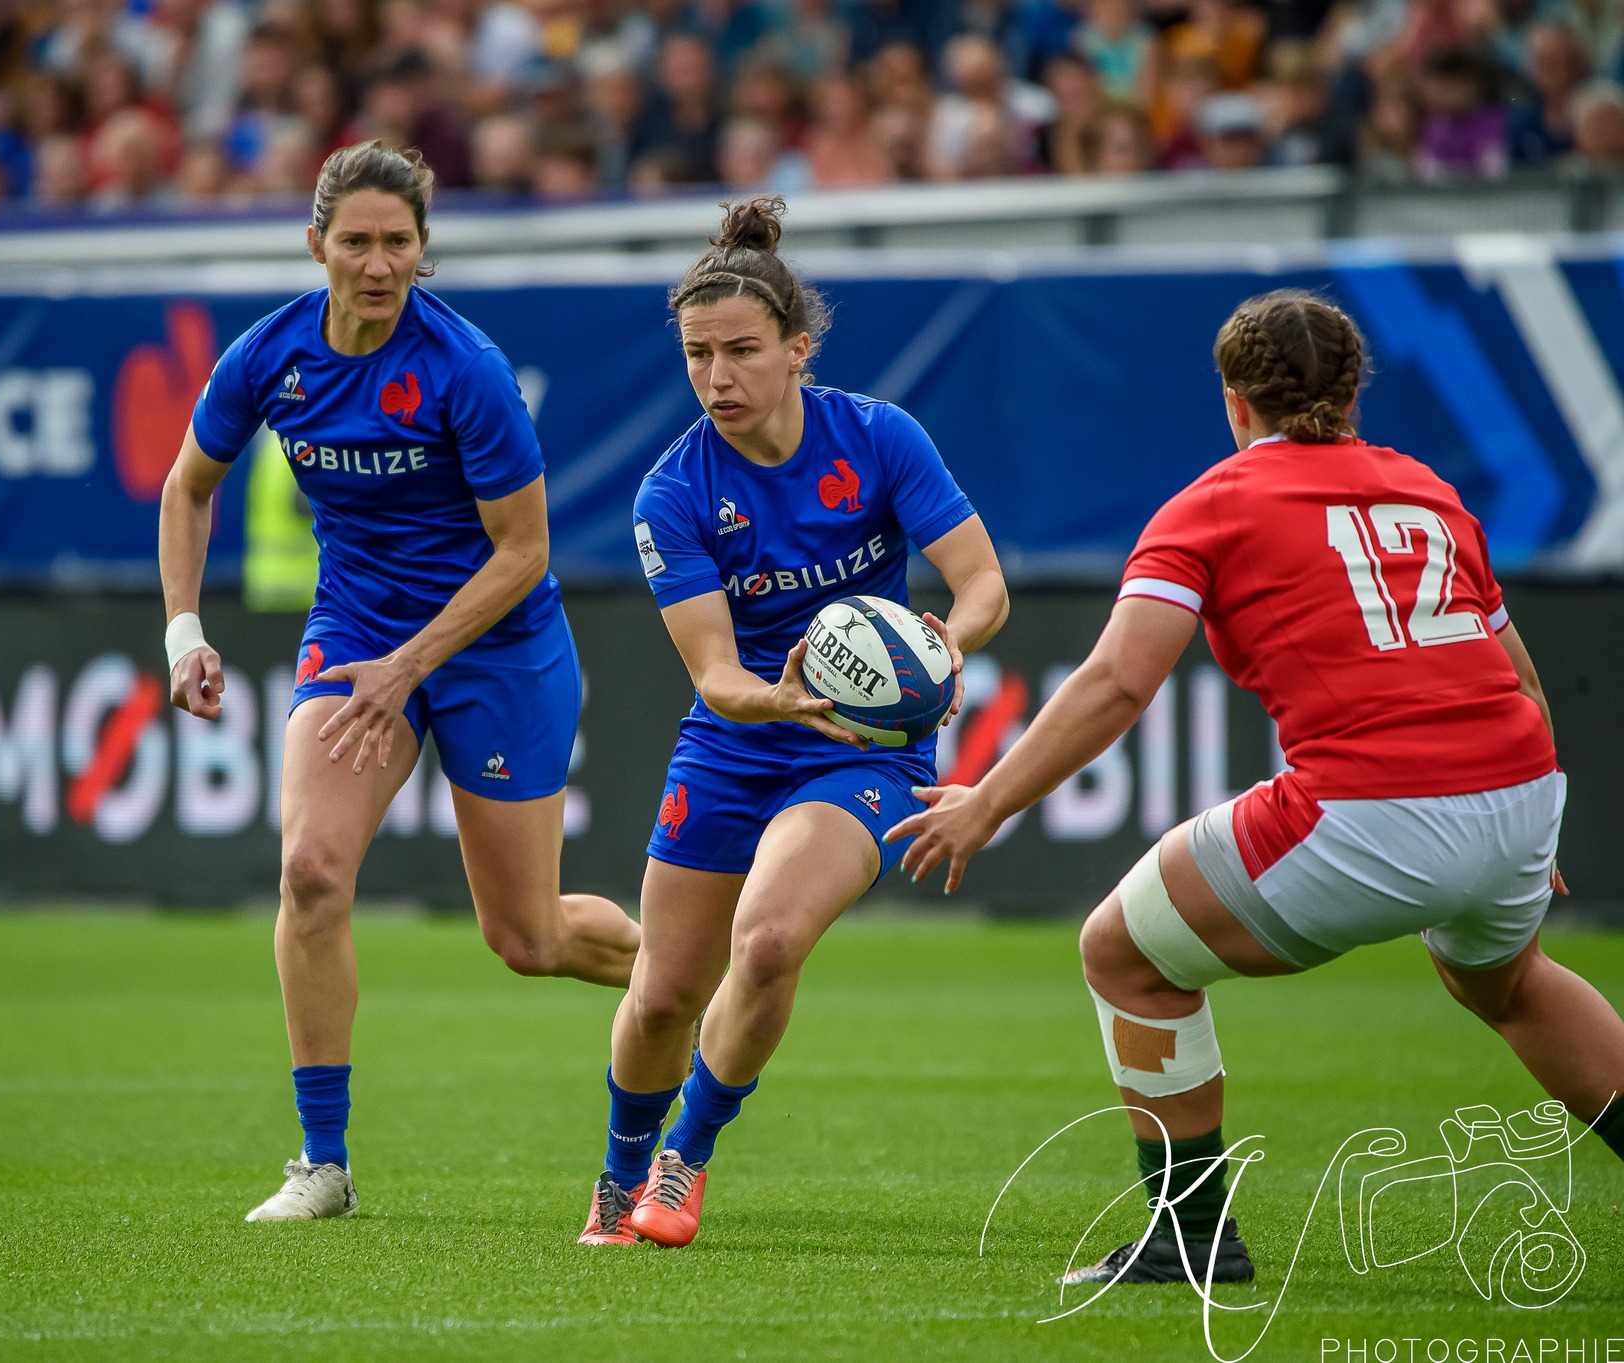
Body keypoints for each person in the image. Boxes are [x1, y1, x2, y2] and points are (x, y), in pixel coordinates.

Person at [889, 289, 1624, 1285]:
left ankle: (1188, 1238)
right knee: (1511, 986)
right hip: (1517, 787)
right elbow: (1520, 681)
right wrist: (1516, 831)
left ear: (1234, 402)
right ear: (1354, 391)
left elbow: (1113, 682)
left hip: (1369, 806)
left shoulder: (1210, 504)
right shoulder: (1427, 491)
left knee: (1122, 953)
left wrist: (985, 799)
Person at [158, 141, 643, 1223]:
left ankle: (684, 982)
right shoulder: (267, 357)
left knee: (526, 941)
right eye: (356, 240)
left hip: (497, 645)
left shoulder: (464, 367)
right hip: (357, 632)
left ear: (424, 250)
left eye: (398, 241)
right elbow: (188, 488)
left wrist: (410, 665)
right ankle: (321, 1165)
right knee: (312, 875)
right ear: (315, 244)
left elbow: (522, 550)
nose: (377, 262)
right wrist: (182, 629)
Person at [577, 196, 1010, 1248]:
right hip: (738, 739)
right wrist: (779, 697)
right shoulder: (669, 491)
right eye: (695, 356)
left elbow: (982, 583)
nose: (716, 378)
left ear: (795, 348)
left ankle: (686, 1156)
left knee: (767, 942)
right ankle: (615, 1174)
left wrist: (947, 646)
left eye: (739, 351)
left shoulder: (877, 437)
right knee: (663, 993)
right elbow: (716, 675)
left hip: (865, 750)